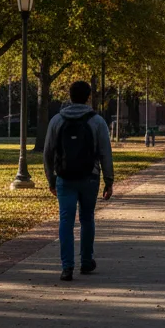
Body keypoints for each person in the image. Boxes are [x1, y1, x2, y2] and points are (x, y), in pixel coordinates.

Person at [44, 80, 114, 282]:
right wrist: (109, 180)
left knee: (65, 220)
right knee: (87, 218)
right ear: (88, 97)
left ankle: (67, 267)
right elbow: (105, 153)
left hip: (64, 177)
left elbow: (48, 152)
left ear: (70, 95)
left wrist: (51, 179)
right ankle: (86, 260)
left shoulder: (57, 120)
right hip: (90, 176)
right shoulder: (97, 121)